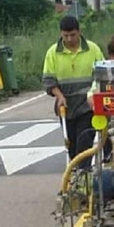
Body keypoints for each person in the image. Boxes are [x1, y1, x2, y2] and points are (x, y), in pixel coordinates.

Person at [42, 14, 104, 160]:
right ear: (60, 34)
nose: (69, 39)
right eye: (66, 35)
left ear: (79, 32)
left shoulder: (93, 49)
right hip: (66, 108)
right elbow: (48, 81)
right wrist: (59, 96)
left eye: (73, 35)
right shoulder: (52, 53)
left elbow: (102, 76)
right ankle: (75, 176)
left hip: (87, 107)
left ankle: (83, 175)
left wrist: (94, 94)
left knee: (84, 145)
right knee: (71, 146)